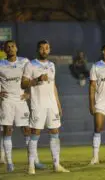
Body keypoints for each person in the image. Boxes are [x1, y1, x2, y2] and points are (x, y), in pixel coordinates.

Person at [21, 40, 69, 174]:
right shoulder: (30, 65)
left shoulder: (52, 65)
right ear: (38, 50)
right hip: (38, 105)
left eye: (46, 48)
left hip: (52, 105)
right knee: (35, 134)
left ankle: (56, 165)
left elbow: (53, 85)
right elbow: (23, 84)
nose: (44, 50)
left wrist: (58, 104)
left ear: (50, 50)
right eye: (41, 48)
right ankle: (31, 166)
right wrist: (37, 79)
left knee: (55, 133)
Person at [0, 40, 45, 172]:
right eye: (8, 47)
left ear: (17, 48)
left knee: (27, 130)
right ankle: (9, 163)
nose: (11, 49)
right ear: (4, 50)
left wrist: (29, 94)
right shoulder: (1, 64)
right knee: (7, 131)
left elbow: (33, 78)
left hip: (21, 100)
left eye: (13, 46)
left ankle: (34, 160)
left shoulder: (25, 62)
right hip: (7, 101)